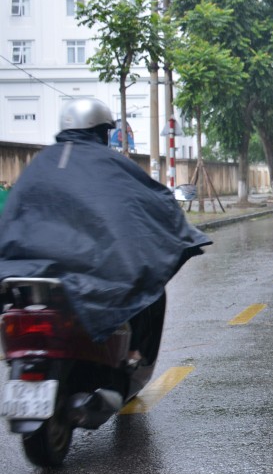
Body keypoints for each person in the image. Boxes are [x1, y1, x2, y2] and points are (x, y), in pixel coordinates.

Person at [0, 98, 211, 362]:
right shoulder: (110, 163)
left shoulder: (40, 164)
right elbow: (148, 201)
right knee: (149, 288)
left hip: (23, 273)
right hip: (86, 272)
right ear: (101, 131)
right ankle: (133, 352)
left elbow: (12, 218)